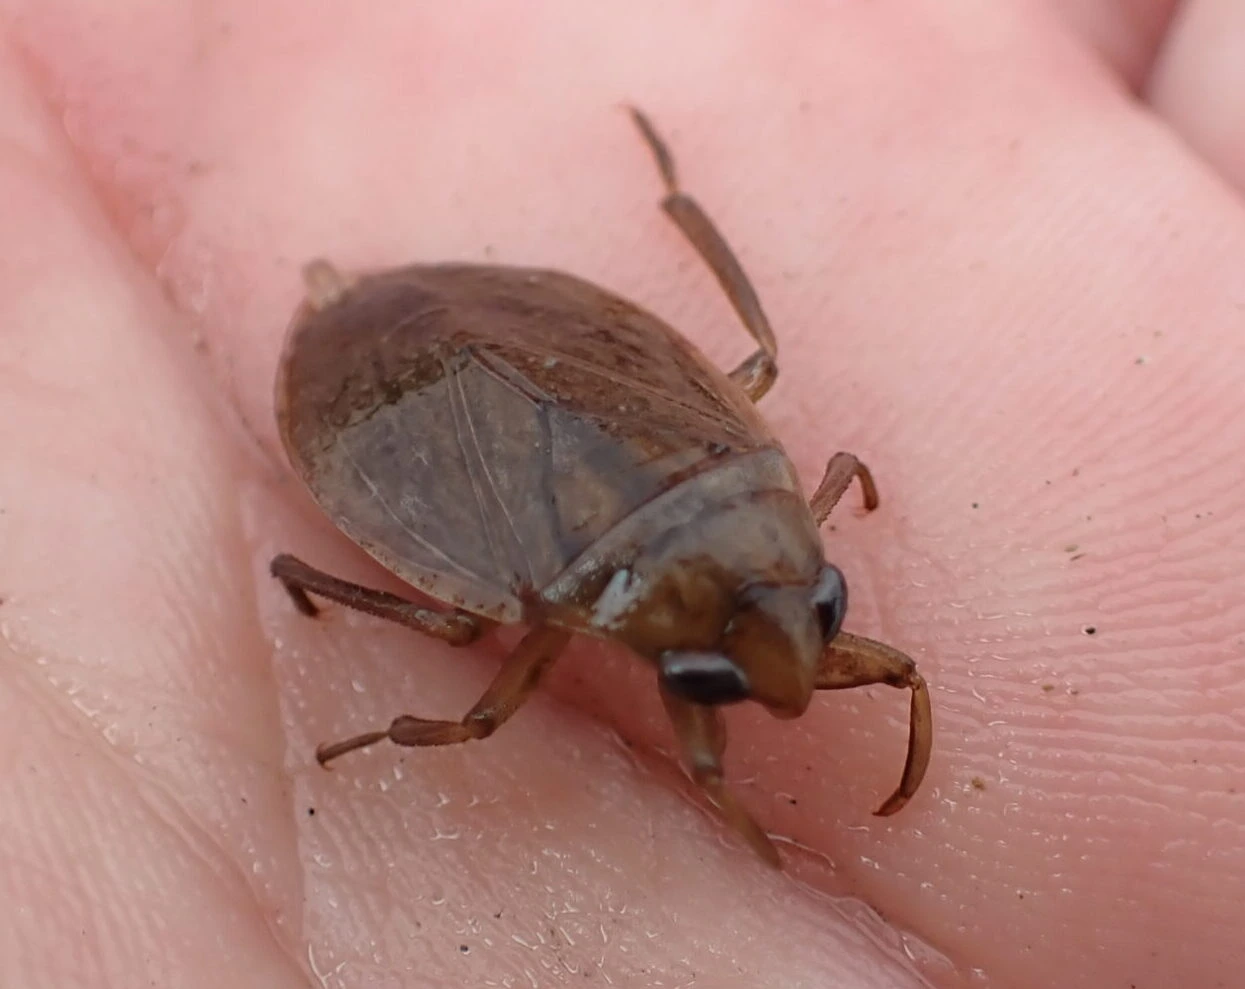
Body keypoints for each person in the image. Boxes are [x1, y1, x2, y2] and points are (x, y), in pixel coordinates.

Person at [0, 3, 1240, 987]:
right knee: (476, 629)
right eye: (729, 664)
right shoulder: (624, 579)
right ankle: (661, 203)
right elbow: (484, 719)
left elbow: (508, 715)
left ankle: (664, 203)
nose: (787, 670)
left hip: (455, 405)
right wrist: (308, 583)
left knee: (682, 439)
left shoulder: (719, 542)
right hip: (377, 396)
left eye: (814, 606)